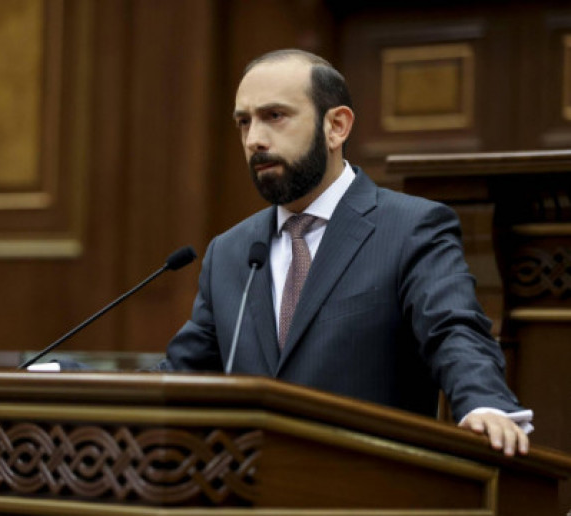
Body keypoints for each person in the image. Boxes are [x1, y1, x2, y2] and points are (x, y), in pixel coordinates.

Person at [158, 49, 532, 457]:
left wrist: (485, 404)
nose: (254, 140)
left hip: (365, 477)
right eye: (244, 122)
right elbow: (180, 376)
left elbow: (453, 329)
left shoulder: (410, 228)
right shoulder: (231, 252)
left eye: (275, 116)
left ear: (336, 126)